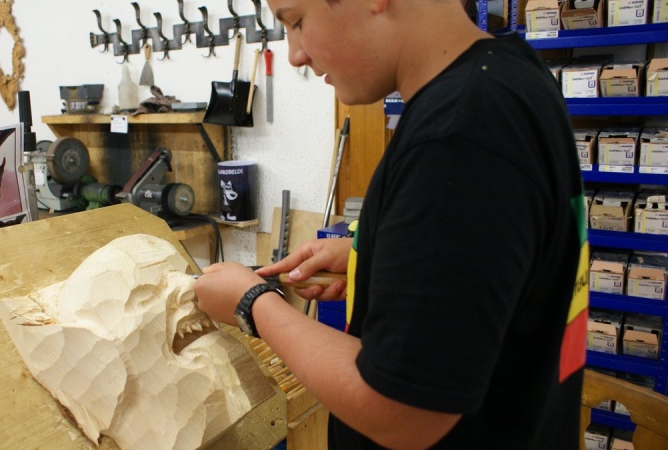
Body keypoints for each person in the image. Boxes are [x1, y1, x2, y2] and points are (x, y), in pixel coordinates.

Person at [193, 0, 589, 448]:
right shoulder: (510, 77)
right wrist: (377, 256)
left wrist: (253, 304)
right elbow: (494, 265)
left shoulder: (460, 134)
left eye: (297, 21)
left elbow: (401, 409)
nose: (295, 54)